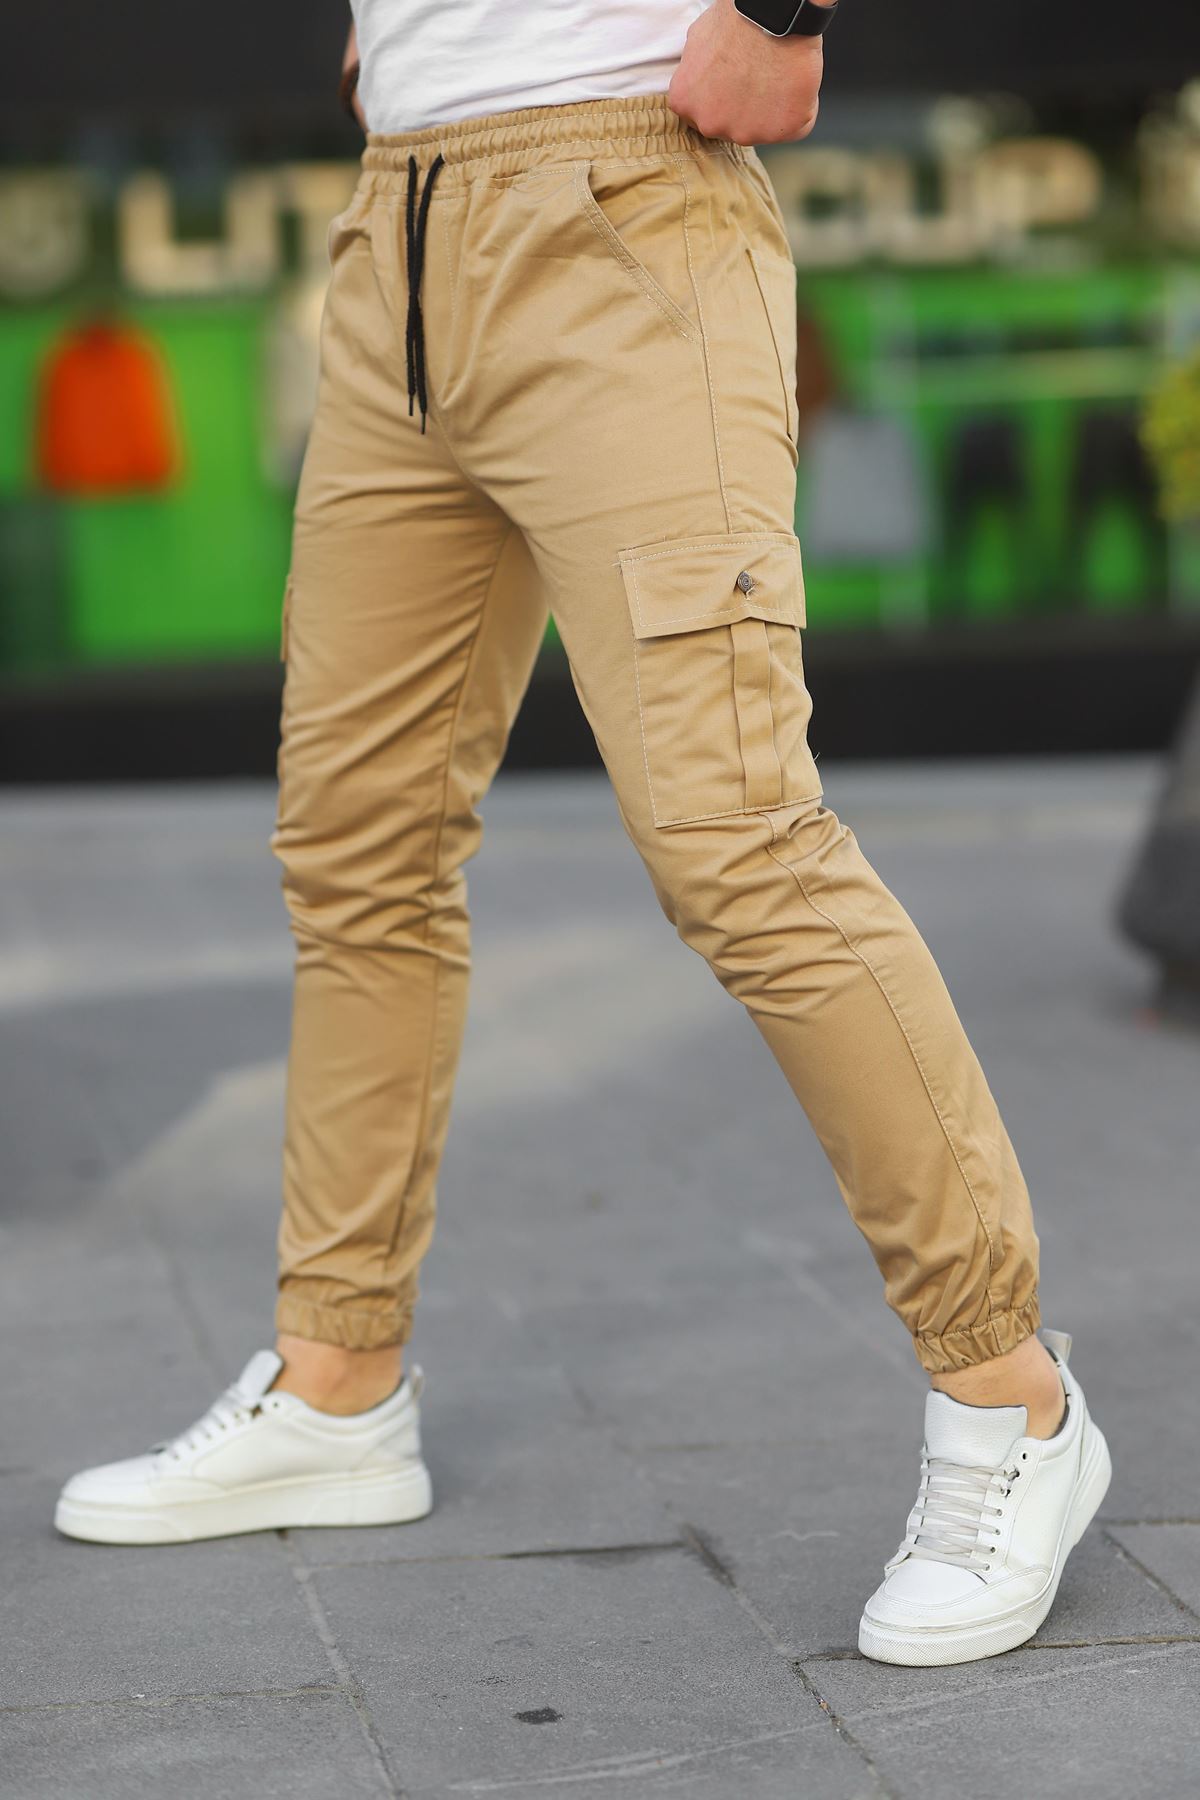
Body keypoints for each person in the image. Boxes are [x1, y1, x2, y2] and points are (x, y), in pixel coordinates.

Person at [56, 0, 1109, 1666]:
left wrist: (781, 10)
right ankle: (338, 1383)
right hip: (398, 229)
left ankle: (1012, 1400)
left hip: (625, 202)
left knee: (737, 837)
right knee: (359, 846)